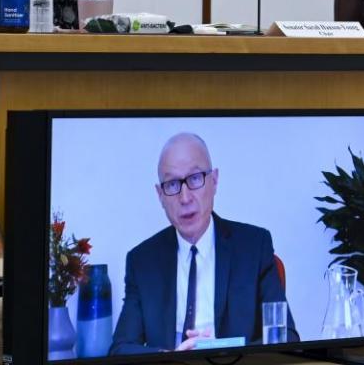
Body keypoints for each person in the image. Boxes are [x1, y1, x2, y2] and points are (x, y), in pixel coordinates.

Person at [110, 133, 297, 354]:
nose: (185, 197)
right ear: (160, 195)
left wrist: (219, 350)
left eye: (195, 178)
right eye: (172, 184)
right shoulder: (142, 261)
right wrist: (169, 358)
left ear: (214, 181)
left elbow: (286, 338)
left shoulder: (254, 247)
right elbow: (120, 349)